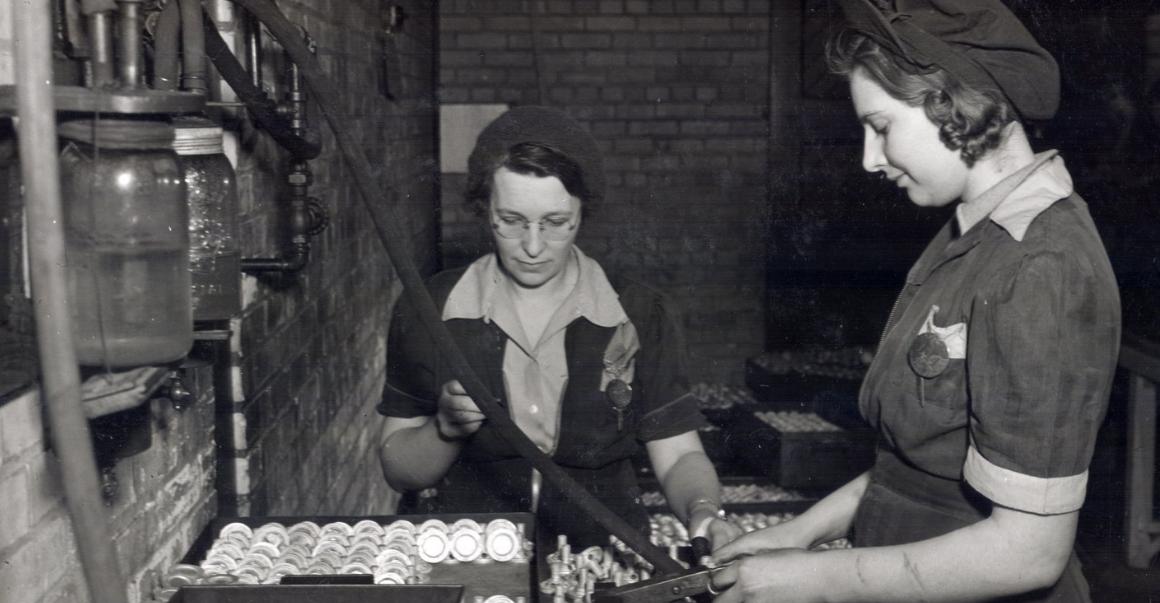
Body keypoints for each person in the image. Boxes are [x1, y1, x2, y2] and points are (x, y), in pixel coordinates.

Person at [709, 1, 1121, 601]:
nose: (869, 159)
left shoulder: (1042, 266)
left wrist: (816, 580)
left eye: (880, 127)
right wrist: (799, 534)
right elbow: (916, 460)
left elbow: (1030, 554)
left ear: (948, 103)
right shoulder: (969, 233)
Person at [377, 106, 741, 552]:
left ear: (582, 213)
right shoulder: (430, 309)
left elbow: (680, 453)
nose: (533, 247)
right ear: (482, 208)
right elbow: (398, 469)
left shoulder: (641, 313)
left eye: (555, 223)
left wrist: (703, 511)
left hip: (602, 559)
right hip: (469, 556)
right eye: (511, 221)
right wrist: (443, 430)